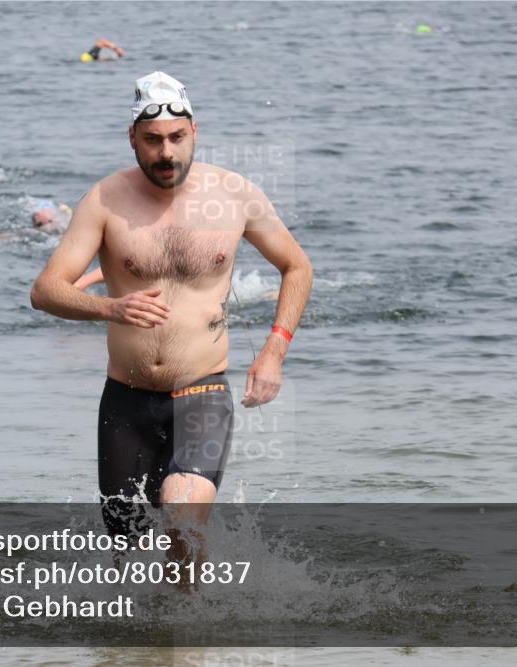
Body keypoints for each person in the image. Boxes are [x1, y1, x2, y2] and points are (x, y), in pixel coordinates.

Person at [30, 71, 313, 558]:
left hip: (202, 392)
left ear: (194, 132)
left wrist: (274, 352)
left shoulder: (235, 195)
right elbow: (45, 291)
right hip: (125, 401)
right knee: (129, 548)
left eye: (177, 138)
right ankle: (155, 633)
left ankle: (192, 631)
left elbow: (297, 265)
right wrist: (110, 307)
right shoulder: (103, 201)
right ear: (133, 139)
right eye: (153, 140)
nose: (166, 153)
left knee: (182, 517)